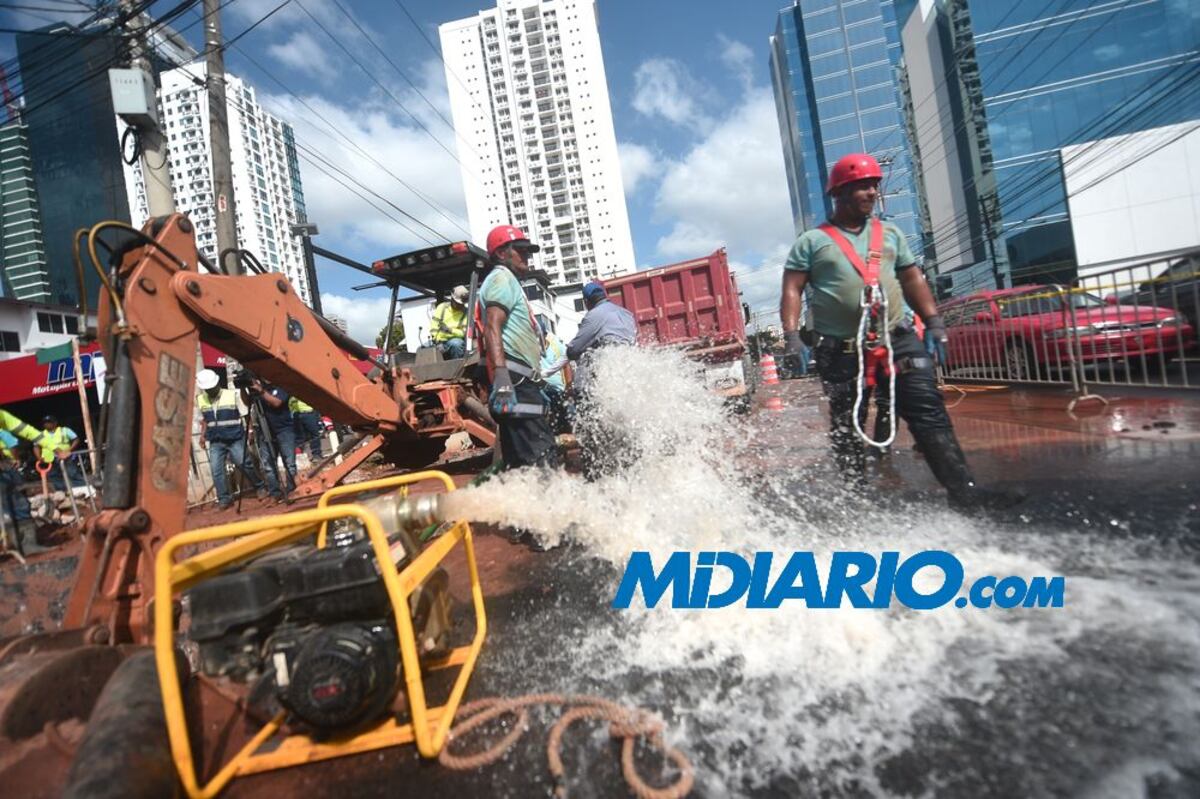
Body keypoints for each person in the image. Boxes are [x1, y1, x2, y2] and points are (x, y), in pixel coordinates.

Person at [779, 153, 1021, 511]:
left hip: (898, 337)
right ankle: (856, 501)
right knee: (848, 423)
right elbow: (792, 289)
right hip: (842, 350)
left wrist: (934, 321)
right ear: (840, 193)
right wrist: (792, 335)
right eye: (863, 186)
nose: (872, 192)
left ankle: (965, 494)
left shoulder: (889, 234)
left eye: (875, 185)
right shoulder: (812, 242)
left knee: (928, 411)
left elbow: (911, 278)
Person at [479, 224, 559, 471]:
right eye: (521, 250)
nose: (527, 256)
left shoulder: (508, 281)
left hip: (520, 381)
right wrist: (503, 377)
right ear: (502, 254)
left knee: (523, 466)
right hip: (516, 382)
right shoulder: (502, 277)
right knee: (542, 460)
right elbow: (492, 325)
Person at [566, 281, 637, 478]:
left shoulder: (594, 316)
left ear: (587, 301)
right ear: (605, 295)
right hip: (625, 380)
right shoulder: (626, 314)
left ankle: (597, 476)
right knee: (624, 432)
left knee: (594, 435)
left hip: (598, 385)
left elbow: (573, 349)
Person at [197, 369, 275, 510]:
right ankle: (224, 499)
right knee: (216, 470)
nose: (209, 391)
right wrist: (202, 436)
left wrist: (250, 430)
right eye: (207, 389)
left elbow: (245, 414)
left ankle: (260, 487)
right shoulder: (201, 399)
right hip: (216, 440)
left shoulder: (231, 395)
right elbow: (204, 420)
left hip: (234, 437)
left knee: (244, 463)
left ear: (217, 384)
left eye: (211, 388)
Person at [240, 374, 297, 497]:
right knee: (268, 465)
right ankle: (275, 493)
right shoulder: (259, 388)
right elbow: (247, 402)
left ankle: (292, 490)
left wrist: (261, 391)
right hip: (265, 431)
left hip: (284, 430)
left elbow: (277, 402)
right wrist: (242, 388)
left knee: (289, 463)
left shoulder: (281, 387)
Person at [538, 317, 572, 435]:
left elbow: (566, 365)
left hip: (558, 390)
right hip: (541, 390)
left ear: (544, 335)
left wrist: (568, 386)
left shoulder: (556, 345)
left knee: (566, 417)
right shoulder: (530, 348)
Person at [39, 415, 85, 491]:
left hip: (65, 458)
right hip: (49, 460)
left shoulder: (64, 430)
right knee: (55, 478)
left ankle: (82, 490)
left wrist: (69, 450)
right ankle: (64, 493)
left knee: (73, 474)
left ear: (55, 423)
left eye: (49, 422)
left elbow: (76, 439)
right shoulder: (41, 434)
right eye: (45, 423)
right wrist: (39, 458)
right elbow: (36, 446)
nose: (46, 424)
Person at [431, 285, 470, 360]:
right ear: (452, 299)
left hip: (457, 341)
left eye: (462, 304)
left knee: (456, 344)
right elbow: (434, 328)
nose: (460, 306)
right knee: (423, 350)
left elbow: (464, 333)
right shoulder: (442, 308)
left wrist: (450, 330)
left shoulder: (466, 312)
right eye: (458, 303)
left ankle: (459, 368)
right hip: (441, 342)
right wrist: (437, 341)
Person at [289, 396, 324, 460]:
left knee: (314, 435)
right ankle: (299, 456)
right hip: (296, 415)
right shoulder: (291, 394)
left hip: (308, 413)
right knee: (299, 437)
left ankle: (316, 454)